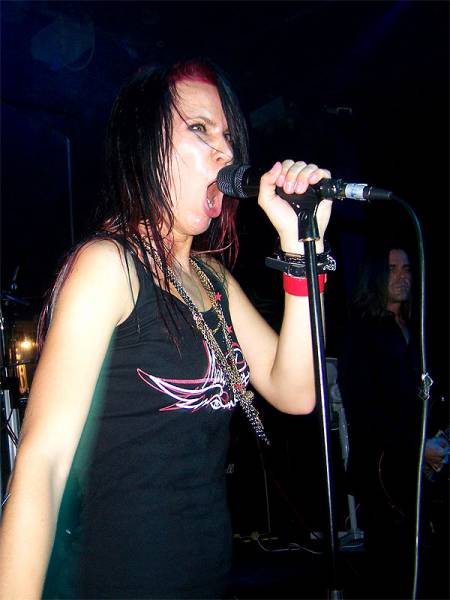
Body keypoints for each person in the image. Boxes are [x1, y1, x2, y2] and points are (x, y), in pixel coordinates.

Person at [0, 58, 333, 599]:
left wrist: (301, 253)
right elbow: (44, 464)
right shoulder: (109, 266)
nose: (225, 153)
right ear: (144, 145)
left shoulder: (212, 279)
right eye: (200, 129)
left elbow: (296, 391)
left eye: (228, 137)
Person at [337, 243, 448, 599]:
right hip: (384, 470)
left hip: (419, 466)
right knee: (391, 567)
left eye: (408, 269)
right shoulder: (361, 332)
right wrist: (417, 448)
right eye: (393, 269)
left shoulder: (416, 327)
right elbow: (365, 409)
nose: (403, 277)